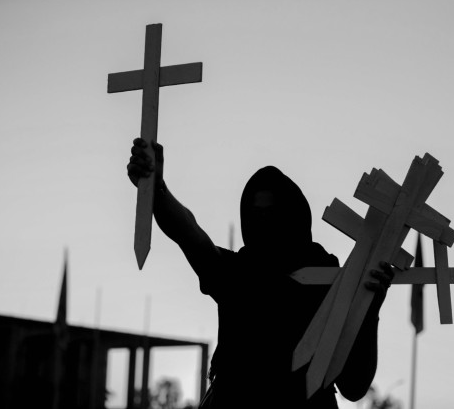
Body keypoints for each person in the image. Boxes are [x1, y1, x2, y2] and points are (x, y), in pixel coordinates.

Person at [127, 138, 395, 409]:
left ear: (294, 216)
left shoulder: (329, 281)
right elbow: (189, 234)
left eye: (274, 214)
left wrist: (369, 306)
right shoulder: (236, 274)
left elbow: (354, 384)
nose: (264, 224)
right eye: (256, 215)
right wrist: (156, 188)